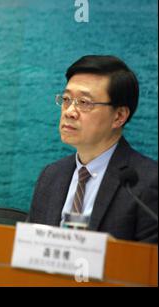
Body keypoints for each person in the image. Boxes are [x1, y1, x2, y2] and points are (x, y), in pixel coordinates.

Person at [28, 55, 158, 243]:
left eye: (84, 103)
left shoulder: (147, 183)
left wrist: (114, 255)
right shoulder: (51, 176)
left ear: (119, 116)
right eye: (66, 99)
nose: (69, 112)